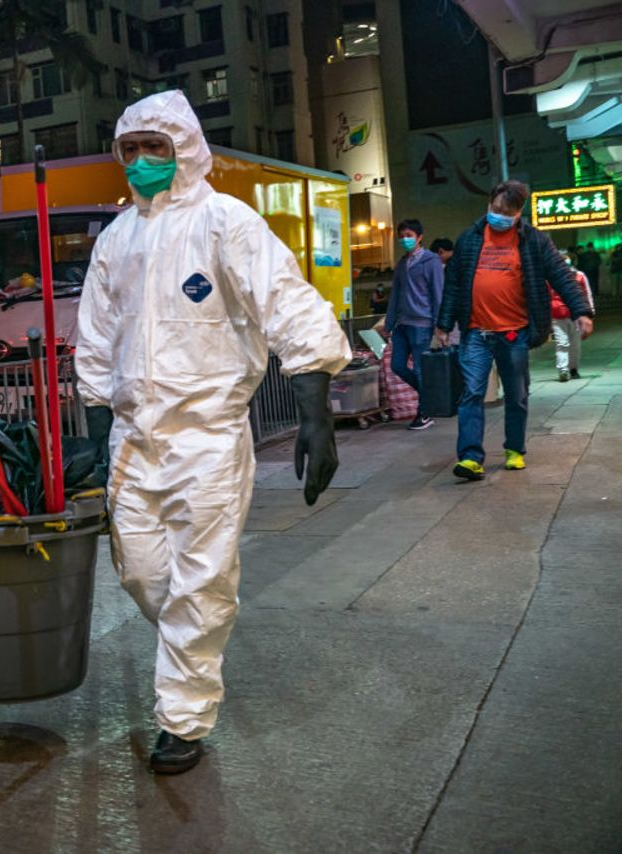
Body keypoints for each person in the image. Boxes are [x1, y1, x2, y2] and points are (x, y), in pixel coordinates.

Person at [76, 91, 351, 776]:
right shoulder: (117, 239)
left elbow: (287, 303)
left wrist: (317, 409)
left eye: (155, 149)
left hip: (207, 439)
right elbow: (95, 338)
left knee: (201, 583)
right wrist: (93, 425)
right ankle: (189, 649)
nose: (141, 163)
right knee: (140, 573)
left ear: (186, 150)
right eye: (130, 150)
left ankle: (183, 718)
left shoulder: (227, 223)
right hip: (134, 443)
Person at [435, 179, 594, 480]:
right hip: (475, 333)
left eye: (507, 212)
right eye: (496, 209)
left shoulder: (534, 241)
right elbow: (453, 284)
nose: (499, 216)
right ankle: (470, 457)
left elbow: (561, 276)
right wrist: (444, 324)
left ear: (518, 213)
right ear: (489, 204)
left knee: (517, 394)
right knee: (471, 393)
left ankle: (514, 449)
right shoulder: (469, 239)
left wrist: (581, 311)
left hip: (514, 332)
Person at [383, 219, 445, 430]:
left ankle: (424, 412)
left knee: (420, 369)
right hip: (402, 324)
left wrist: (440, 325)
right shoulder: (402, 264)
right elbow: (395, 296)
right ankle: (431, 396)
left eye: (409, 235)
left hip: (422, 323)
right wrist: (389, 324)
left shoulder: (431, 261)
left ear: (420, 236)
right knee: (397, 366)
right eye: (401, 236)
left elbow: (438, 293)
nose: (405, 239)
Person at [551, 250, 594, 381]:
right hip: (557, 314)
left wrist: (589, 312)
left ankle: (573, 369)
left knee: (575, 344)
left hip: (576, 315)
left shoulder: (580, 276)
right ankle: (563, 370)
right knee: (561, 343)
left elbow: (587, 293)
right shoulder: (550, 276)